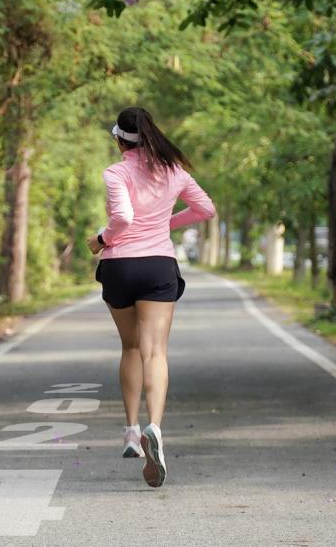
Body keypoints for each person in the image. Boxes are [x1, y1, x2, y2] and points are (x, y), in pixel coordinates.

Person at [87, 107, 215, 488]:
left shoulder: (116, 172)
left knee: (129, 349)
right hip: (159, 264)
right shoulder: (175, 172)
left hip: (120, 266)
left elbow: (123, 218)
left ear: (118, 140)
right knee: (155, 351)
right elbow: (205, 209)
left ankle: (130, 431)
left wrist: (100, 240)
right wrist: (164, 224)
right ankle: (154, 427)